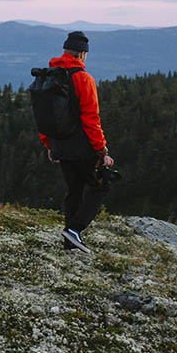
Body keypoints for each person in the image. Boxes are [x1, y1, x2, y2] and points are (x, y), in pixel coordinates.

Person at [39, 31, 115, 254]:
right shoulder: (83, 79)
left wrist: (49, 145)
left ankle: (69, 242)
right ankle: (74, 230)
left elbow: (44, 116)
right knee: (101, 185)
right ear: (82, 54)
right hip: (82, 146)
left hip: (60, 145)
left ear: (65, 51)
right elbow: (91, 118)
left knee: (74, 190)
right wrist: (102, 150)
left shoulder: (51, 77)